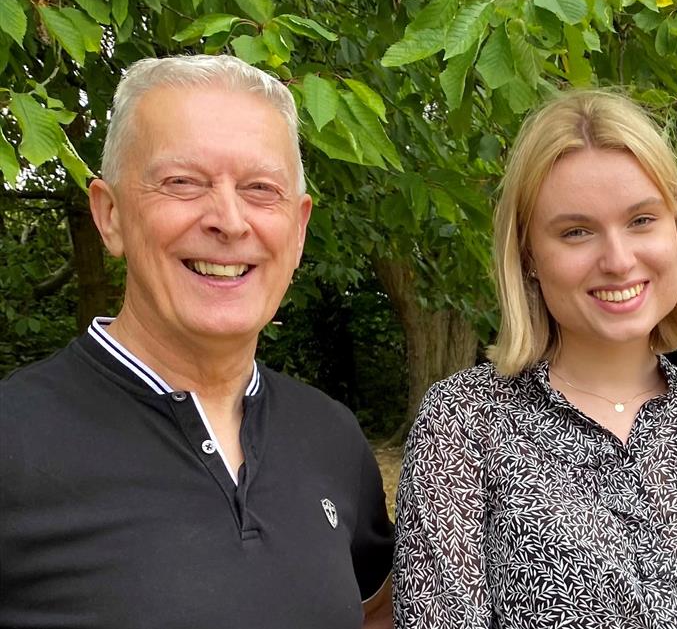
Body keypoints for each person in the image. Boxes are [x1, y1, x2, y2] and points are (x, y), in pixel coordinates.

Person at [0, 55, 394, 628]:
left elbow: (373, 613)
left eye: (261, 189)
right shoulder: (14, 439)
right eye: (182, 183)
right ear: (109, 216)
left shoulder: (331, 437)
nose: (229, 221)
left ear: (300, 227)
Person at [391, 90, 677, 628]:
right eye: (576, 231)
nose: (618, 259)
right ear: (529, 256)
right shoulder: (464, 423)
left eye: (641, 221)